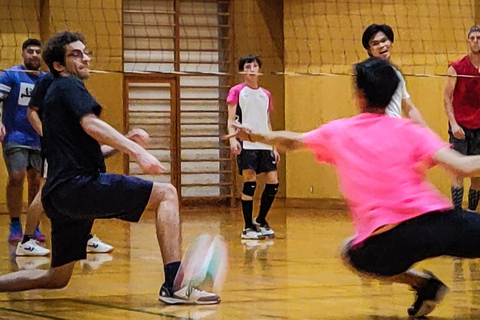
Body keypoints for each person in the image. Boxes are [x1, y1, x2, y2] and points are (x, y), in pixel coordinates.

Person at [229, 57, 480, 317]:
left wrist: (254, 135)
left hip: (386, 241)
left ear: (359, 96)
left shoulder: (340, 132)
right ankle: (427, 288)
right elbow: (463, 167)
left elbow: (293, 141)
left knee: (351, 252)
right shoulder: (411, 130)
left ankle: (424, 285)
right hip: (441, 224)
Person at [0, 31, 220, 305]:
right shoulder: (68, 85)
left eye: (85, 52)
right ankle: (174, 286)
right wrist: (137, 151)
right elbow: (90, 124)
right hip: (77, 187)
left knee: (55, 278)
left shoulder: (56, 98)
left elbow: (87, 151)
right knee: (166, 194)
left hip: (58, 196)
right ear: (59, 65)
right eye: (75, 54)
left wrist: (123, 142)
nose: (85, 58)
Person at [15, 73, 113, 256]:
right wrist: (50, 135)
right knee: (45, 193)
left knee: (85, 190)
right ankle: (27, 240)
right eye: (76, 54)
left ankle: (85, 237)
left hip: (72, 149)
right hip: (56, 150)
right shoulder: (48, 80)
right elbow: (32, 111)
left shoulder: (74, 83)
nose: (84, 59)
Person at [227, 54, 279, 240]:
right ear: (243, 70)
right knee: (250, 182)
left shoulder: (266, 94)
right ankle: (247, 227)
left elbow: (267, 121)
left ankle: (261, 220)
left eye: (255, 66)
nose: (252, 69)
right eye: (248, 66)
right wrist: (233, 140)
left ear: (259, 69)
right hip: (246, 143)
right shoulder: (237, 91)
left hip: (264, 143)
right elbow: (231, 120)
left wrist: (273, 144)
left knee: (273, 182)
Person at [0, 38, 46, 242]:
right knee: (17, 176)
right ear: (23, 54)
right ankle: (15, 223)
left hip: (38, 137)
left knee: (35, 180)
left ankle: (33, 226)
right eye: (30, 51)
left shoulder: (46, 79)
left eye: (38, 52)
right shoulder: (11, 75)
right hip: (15, 135)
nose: (34, 55)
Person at [444, 25, 480, 211]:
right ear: (468, 41)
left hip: (479, 128)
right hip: (460, 127)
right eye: (472, 38)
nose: (475, 41)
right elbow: (447, 97)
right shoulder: (457, 67)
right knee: (457, 171)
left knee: (477, 174)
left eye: (478, 38)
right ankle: (457, 214)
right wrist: (453, 123)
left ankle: (472, 212)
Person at [362, 24, 427, 126]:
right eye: (375, 43)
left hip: (394, 131)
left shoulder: (395, 73)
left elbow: (408, 107)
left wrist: (427, 132)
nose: (381, 45)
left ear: (391, 43)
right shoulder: (367, 74)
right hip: (378, 131)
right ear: (369, 50)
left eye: (384, 40)